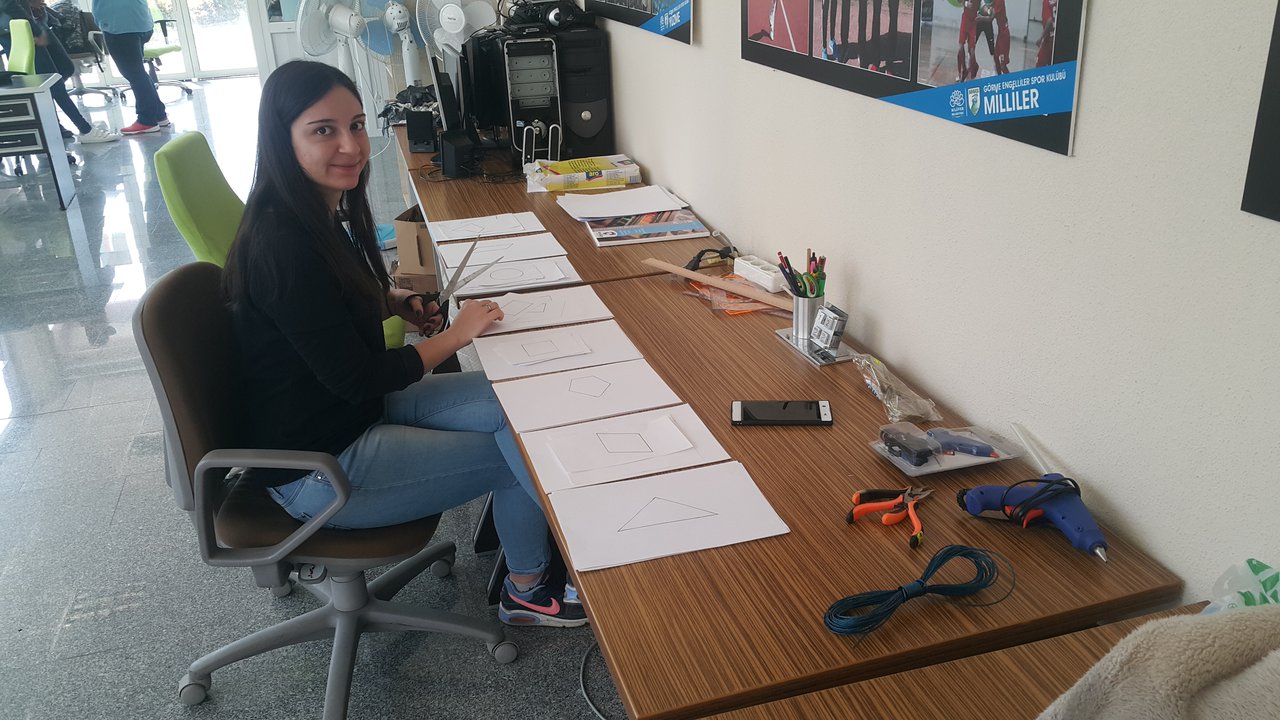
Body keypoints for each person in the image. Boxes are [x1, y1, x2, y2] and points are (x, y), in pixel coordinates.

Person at [222, 61, 585, 628]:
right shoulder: (283, 246)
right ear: (281, 139)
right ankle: (530, 590)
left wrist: (390, 301)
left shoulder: (310, 212)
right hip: (319, 467)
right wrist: (457, 335)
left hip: (347, 415)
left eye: (356, 125)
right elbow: (359, 377)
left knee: (519, 407)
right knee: (521, 458)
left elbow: (324, 312)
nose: (351, 145)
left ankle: (555, 549)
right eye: (323, 130)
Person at [0, 0, 118, 143]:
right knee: (53, 81)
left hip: (33, 20)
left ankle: (51, 123)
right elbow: (8, 4)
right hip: (18, 28)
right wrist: (36, 31)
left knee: (65, 68)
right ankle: (85, 130)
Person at [90, 0, 167, 134]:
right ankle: (159, 115)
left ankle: (147, 120)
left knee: (134, 74)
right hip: (140, 21)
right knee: (138, 73)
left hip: (120, 25)